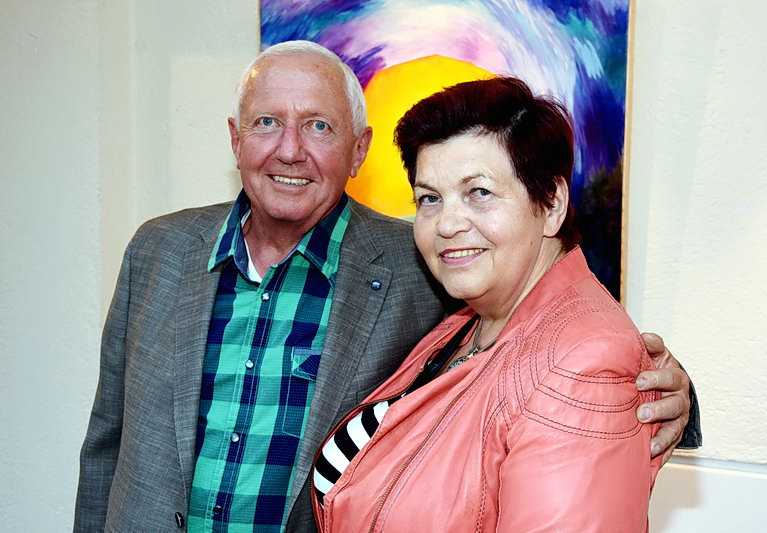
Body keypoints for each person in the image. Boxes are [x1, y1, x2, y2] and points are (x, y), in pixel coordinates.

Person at [75, 41, 698, 532]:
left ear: (358, 150)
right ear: (236, 139)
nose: (289, 150)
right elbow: (106, 442)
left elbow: (561, 346)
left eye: (319, 126)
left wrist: (672, 395)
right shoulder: (156, 252)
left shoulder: (419, 265)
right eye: (266, 122)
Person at [311, 77, 670, 532]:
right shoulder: (467, 322)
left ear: (551, 204)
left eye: (479, 193)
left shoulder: (586, 365)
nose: (447, 224)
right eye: (429, 198)